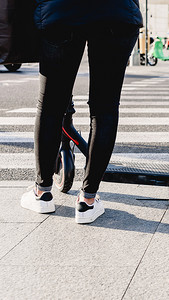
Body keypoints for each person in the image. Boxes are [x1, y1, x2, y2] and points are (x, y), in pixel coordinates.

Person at [20, 0, 142, 223]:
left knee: (50, 107)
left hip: (61, 12)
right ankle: (87, 201)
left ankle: (42, 193)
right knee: (104, 108)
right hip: (116, 12)